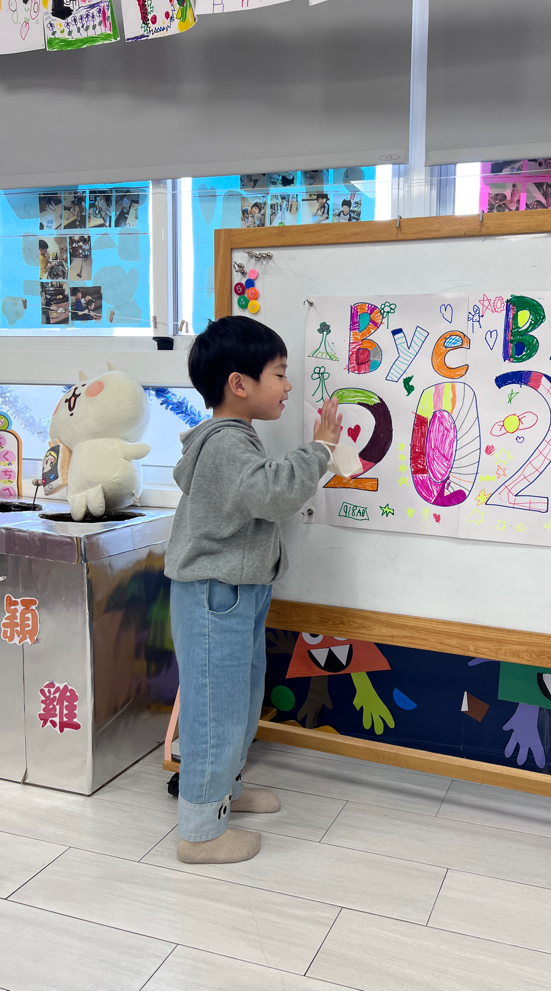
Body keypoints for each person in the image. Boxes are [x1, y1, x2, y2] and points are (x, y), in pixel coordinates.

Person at [164, 316, 342, 865]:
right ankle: (199, 833)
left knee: (238, 702)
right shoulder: (225, 443)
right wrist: (320, 449)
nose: (288, 386)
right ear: (239, 384)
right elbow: (272, 495)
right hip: (215, 595)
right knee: (215, 712)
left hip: (234, 592)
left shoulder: (234, 438)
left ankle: (225, 793)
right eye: (280, 374)